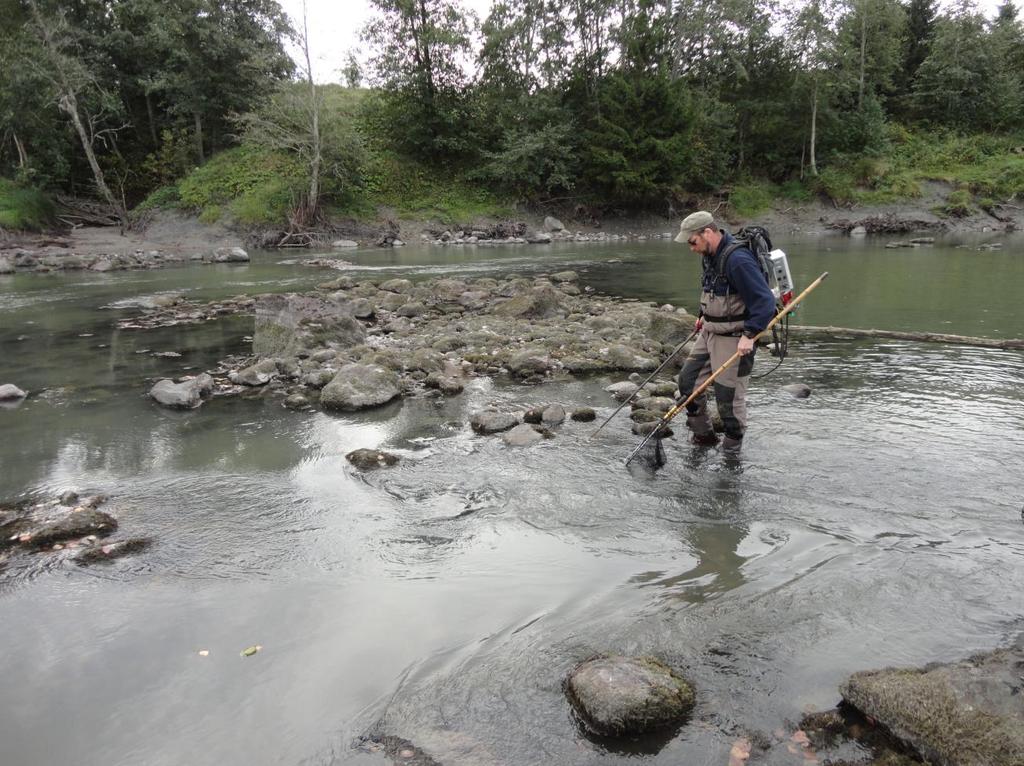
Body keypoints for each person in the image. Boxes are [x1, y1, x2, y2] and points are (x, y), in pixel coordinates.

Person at [673, 211, 776, 454]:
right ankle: (704, 438)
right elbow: (712, 290)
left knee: (728, 400)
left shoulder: (738, 260)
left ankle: (731, 453)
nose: (691, 248)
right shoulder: (709, 255)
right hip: (709, 332)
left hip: (734, 338)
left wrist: (749, 335)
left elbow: (764, 302)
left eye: (692, 241)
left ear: (707, 233)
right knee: (687, 383)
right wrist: (703, 315)